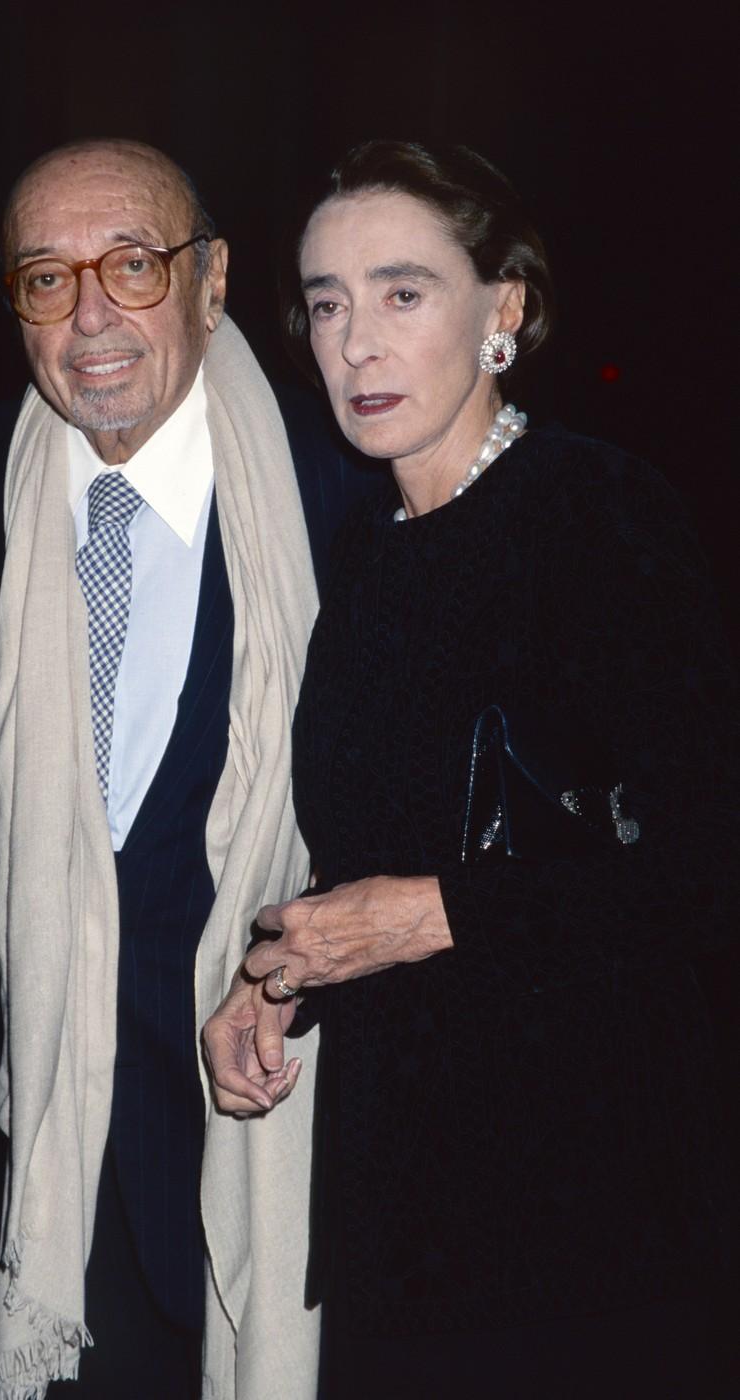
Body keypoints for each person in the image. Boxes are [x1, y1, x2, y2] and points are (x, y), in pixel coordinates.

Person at [0, 139, 373, 1400]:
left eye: (134, 264)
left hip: (290, 1124)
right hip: (51, 1136)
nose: (91, 315)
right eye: (47, 278)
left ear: (213, 281)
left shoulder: (344, 483)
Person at [203, 140, 739, 1398]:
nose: (355, 343)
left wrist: (433, 915)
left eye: (403, 292)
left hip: (593, 1215)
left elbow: (706, 863)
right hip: (403, 1216)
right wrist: (281, 974)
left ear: (505, 308)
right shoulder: (365, 557)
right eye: (326, 303)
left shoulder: (598, 510)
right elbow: (383, 853)